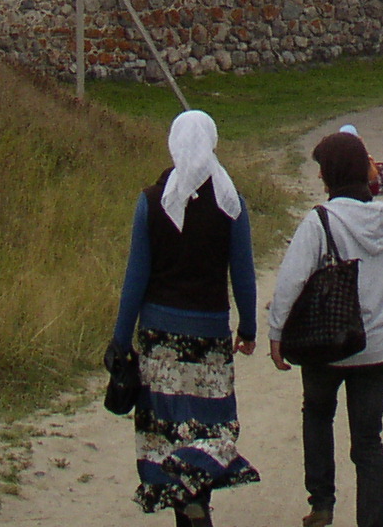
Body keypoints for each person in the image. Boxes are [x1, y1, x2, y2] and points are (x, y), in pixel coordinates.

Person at [111, 110, 260, 524]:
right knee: (208, 430)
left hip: (159, 340)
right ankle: (199, 502)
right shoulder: (232, 203)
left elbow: (135, 280)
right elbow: (243, 275)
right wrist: (247, 328)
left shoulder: (151, 202)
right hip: (209, 336)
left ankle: (186, 508)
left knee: (170, 432)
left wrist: (121, 341)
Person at [270, 130, 383, 527]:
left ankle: (322, 503)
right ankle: (372, 520)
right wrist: (380, 308)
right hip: (376, 347)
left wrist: (277, 332)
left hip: (325, 342)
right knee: (368, 441)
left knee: (317, 414)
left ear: (332, 174)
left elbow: (291, 282)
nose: (319, 178)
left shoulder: (320, 221)